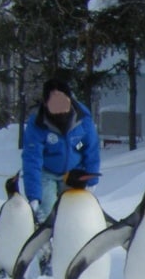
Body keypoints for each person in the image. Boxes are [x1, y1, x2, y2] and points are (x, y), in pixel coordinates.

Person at [22, 79, 101, 223]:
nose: (60, 108)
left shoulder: (83, 119)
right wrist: (34, 196)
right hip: (47, 174)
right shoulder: (37, 124)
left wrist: (92, 180)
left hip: (74, 174)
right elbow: (32, 160)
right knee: (47, 213)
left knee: (75, 215)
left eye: (63, 102)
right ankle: (45, 241)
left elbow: (92, 151)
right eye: (54, 104)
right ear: (45, 104)